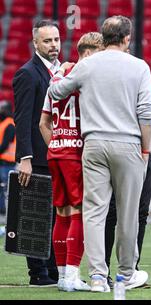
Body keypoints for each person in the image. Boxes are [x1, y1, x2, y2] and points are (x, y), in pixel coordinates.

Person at [48, 15, 151, 293]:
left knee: (94, 213)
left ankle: (97, 277)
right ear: (127, 38)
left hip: (93, 143)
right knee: (128, 213)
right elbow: (146, 111)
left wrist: (64, 71)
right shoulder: (139, 66)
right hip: (129, 144)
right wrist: (146, 147)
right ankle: (126, 274)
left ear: (104, 37)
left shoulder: (87, 65)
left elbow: (56, 91)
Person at [40, 32, 105, 292]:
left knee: (62, 213)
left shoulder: (56, 78)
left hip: (56, 152)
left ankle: (62, 277)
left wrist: (57, 145)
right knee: (80, 212)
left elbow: (43, 122)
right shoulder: (87, 80)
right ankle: (73, 275)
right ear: (88, 54)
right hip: (76, 154)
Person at [13, 19, 61, 287]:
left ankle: (53, 270)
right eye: (47, 41)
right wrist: (25, 158)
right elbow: (22, 119)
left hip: (57, 155)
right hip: (38, 158)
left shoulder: (63, 73)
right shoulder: (28, 73)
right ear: (35, 43)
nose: (53, 45)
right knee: (36, 216)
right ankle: (38, 274)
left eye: (56, 39)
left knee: (54, 216)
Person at [104, 90, 151, 289]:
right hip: (118, 146)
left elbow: (150, 100)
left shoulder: (139, 71)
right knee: (112, 211)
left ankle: (132, 271)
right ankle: (102, 271)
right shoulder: (109, 71)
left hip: (143, 149)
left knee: (141, 212)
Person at [0, 101, 16, 218]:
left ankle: (6, 217)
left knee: (6, 190)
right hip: (3, 162)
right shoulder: (4, 123)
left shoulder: (9, 124)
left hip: (8, 163)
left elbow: (5, 144)